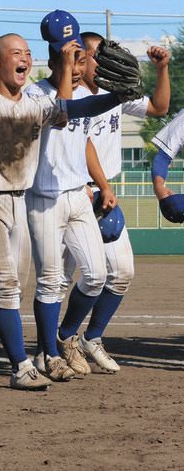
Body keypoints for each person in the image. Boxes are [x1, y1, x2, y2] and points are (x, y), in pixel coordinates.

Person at [0, 33, 125, 390]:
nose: (24, 59)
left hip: (20, 200)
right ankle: (22, 366)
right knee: (7, 285)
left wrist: (118, 96)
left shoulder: (34, 106)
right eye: (16, 53)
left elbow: (76, 109)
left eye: (28, 53)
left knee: (13, 289)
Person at [69, 34, 170, 373]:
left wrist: (161, 69)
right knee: (59, 279)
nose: (105, 61)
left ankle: (89, 338)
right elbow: (83, 144)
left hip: (104, 196)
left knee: (121, 272)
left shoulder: (114, 96)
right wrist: (100, 185)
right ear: (80, 59)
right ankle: (56, 343)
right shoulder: (71, 96)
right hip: (75, 192)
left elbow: (159, 108)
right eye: (98, 54)